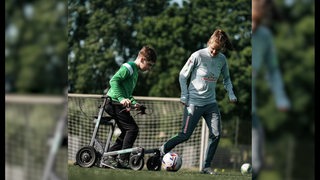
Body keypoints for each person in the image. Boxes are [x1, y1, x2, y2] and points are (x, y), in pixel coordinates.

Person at [159, 29, 237, 174]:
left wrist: (231, 93)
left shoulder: (222, 60)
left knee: (216, 134)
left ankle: (206, 166)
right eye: (213, 49)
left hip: (211, 104)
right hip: (193, 103)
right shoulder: (198, 55)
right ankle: (161, 151)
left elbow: (227, 79)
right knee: (185, 135)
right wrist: (184, 95)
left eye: (218, 50)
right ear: (209, 43)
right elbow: (183, 75)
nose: (214, 52)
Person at [252, 0, 290, 179]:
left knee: (258, 161)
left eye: (256, 21)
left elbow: (273, 70)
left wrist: (281, 98)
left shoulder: (265, 37)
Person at [104, 46, 157, 168]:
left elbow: (127, 94)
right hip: (112, 103)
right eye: (149, 65)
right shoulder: (128, 67)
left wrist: (134, 103)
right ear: (142, 59)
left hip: (117, 104)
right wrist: (122, 99)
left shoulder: (135, 72)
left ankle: (110, 156)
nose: (149, 68)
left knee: (128, 131)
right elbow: (113, 81)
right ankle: (123, 160)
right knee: (132, 129)